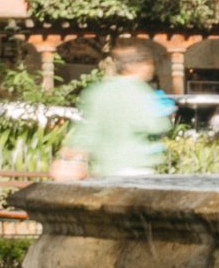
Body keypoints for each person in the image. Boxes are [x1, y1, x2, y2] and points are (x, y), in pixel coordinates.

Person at [70, 43, 173, 176]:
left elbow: (85, 132)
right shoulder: (139, 90)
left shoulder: (97, 91)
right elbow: (156, 125)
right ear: (136, 65)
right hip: (136, 165)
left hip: (106, 168)